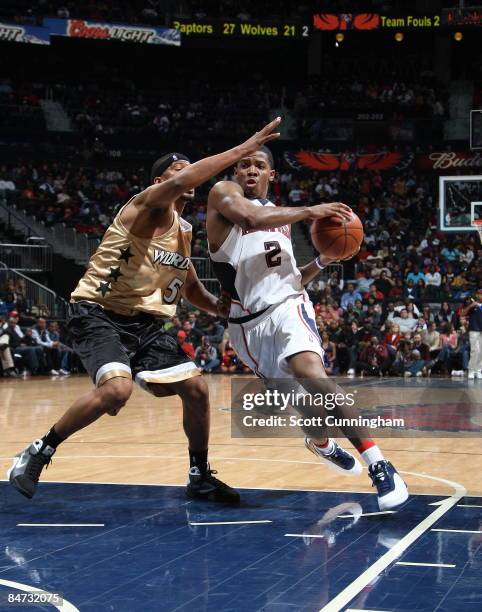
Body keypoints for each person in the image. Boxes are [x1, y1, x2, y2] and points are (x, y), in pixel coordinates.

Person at [8, 117, 282, 502]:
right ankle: (38, 451)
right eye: (177, 171)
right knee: (117, 391)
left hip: (147, 326)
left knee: (198, 390)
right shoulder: (146, 205)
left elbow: (188, 288)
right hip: (98, 313)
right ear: (160, 184)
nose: (187, 176)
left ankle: (199, 474)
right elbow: (182, 183)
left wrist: (224, 309)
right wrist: (243, 147)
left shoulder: (184, 231)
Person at [206, 144, 408, 510]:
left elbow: (291, 280)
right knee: (310, 410)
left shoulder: (278, 217)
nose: (250, 170)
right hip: (247, 327)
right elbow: (250, 218)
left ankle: (380, 464)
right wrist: (311, 210)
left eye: (260, 165)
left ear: (272, 175)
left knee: (310, 371)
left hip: (289, 306)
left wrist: (322, 260)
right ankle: (321, 443)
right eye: (244, 165)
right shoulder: (225, 198)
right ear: (235, 174)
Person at [460, 290, 482, 379]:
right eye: (479, 294)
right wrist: (470, 306)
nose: (480, 296)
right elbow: (462, 314)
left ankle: (478, 370)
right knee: (474, 351)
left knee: (481, 352)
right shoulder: (472, 304)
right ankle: (471, 370)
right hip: (474, 329)